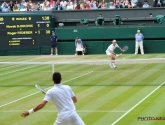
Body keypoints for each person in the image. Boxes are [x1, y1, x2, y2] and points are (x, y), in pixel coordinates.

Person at [21, 72, 85, 125]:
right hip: (73, 115)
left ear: (52, 80)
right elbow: (75, 100)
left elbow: (41, 105)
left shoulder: (50, 91)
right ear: (61, 79)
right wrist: (64, 100)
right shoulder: (68, 87)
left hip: (63, 117)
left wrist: (29, 112)